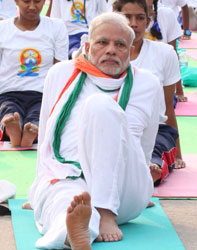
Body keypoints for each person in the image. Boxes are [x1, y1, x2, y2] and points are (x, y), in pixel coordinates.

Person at [25, 12, 161, 249]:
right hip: (69, 173)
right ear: (87, 46)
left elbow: (146, 145)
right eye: (102, 42)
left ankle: (105, 212)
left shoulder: (148, 82)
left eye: (120, 44)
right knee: (65, 200)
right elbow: (47, 134)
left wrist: (140, 184)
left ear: (129, 51)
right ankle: (72, 234)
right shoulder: (60, 74)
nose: (111, 50)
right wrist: (39, 185)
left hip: (125, 190)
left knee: (99, 105)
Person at [112, 0, 186, 185]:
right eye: (126, 17)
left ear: (148, 21)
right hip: (116, 126)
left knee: (154, 154)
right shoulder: (106, 54)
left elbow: (168, 108)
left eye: (140, 17)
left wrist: (178, 153)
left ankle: (149, 171)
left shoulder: (164, 53)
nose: (134, 23)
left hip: (157, 129)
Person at [0, 0, 69, 147]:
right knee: (8, 109)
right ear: (16, 1)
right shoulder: (2, 29)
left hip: (42, 94)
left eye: (37, 1)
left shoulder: (56, 27)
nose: (32, 6)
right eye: (26, 1)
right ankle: (12, 127)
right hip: (8, 93)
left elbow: (60, 69)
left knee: (39, 113)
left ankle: (32, 130)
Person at [145, 0, 187, 103]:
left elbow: (173, 54)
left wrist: (179, 90)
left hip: (160, 83)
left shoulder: (166, 15)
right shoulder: (125, 14)